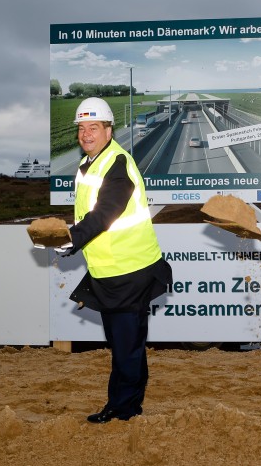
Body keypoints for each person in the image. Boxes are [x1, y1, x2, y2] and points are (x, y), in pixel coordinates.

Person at [62, 97, 172, 424]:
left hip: (129, 270)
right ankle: (127, 404)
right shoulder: (93, 163)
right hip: (113, 269)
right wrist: (73, 240)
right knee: (126, 344)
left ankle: (123, 409)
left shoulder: (116, 164)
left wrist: (72, 238)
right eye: (82, 128)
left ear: (109, 130)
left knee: (125, 346)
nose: (86, 134)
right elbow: (90, 216)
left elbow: (104, 214)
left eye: (93, 127)